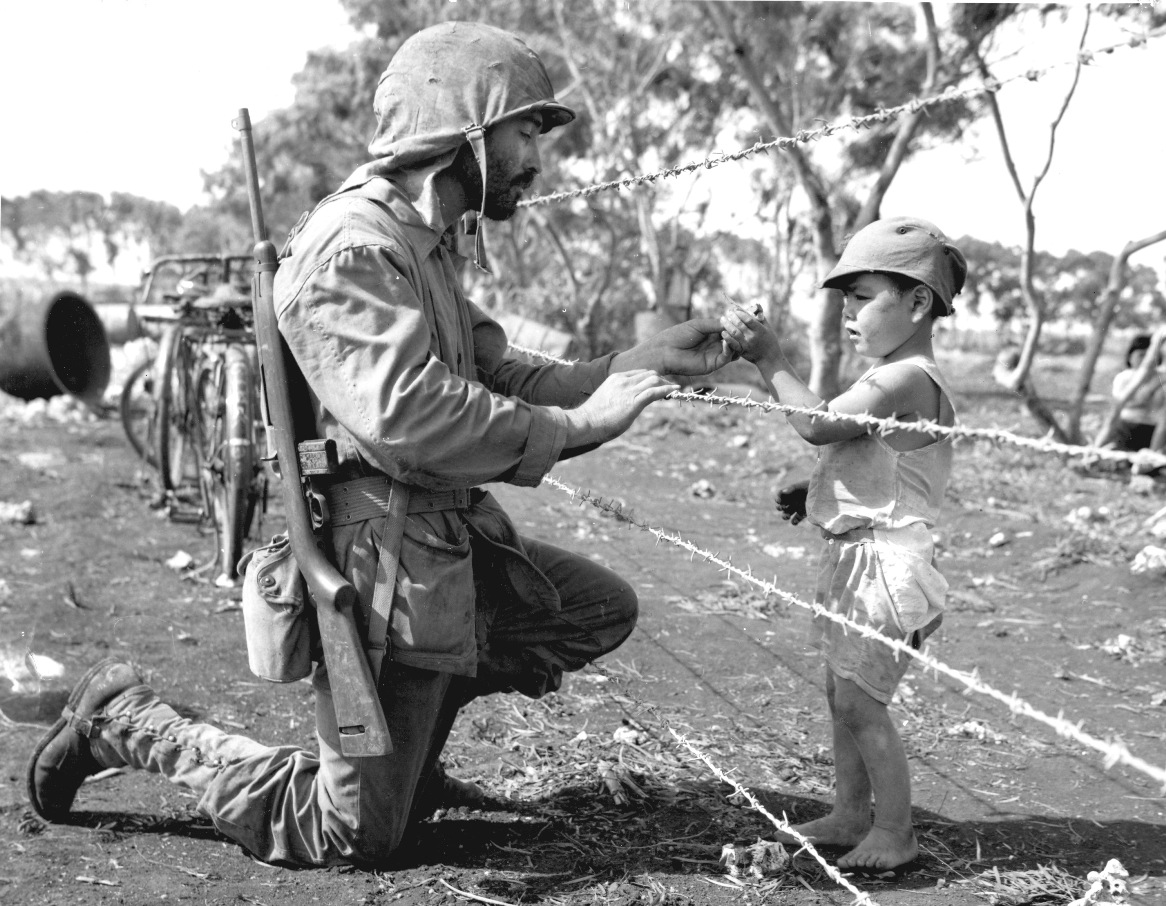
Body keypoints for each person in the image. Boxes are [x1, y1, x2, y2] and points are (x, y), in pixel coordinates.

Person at [28, 21, 732, 868]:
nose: (536, 160)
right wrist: (579, 427)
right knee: (346, 835)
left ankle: (404, 757)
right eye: (522, 132)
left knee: (589, 610)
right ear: (463, 134)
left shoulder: (422, 241)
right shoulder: (354, 246)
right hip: (380, 563)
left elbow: (496, 376)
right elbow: (411, 414)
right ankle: (127, 720)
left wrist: (634, 364)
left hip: (442, 540)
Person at [719, 216, 966, 874]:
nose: (849, 312)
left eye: (865, 296)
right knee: (841, 692)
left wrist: (770, 358)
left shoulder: (909, 376)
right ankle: (852, 812)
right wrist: (817, 493)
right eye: (846, 299)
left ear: (917, 302)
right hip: (860, 558)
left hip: (890, 569)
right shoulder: (891, 374)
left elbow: (823, 425)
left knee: (861, 700)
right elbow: (876, 460)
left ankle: (895, 831)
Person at [1109, 333, 1166, 454]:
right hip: (1128, 425)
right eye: (1141, 355)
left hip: (1154, 427)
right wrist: (1146, 394)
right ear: (1130, 357)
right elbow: (1119, 403)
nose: (1145, 360)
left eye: (1148, 356)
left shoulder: (1161, 377)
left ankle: (1152, 456)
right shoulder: (1124, 377)